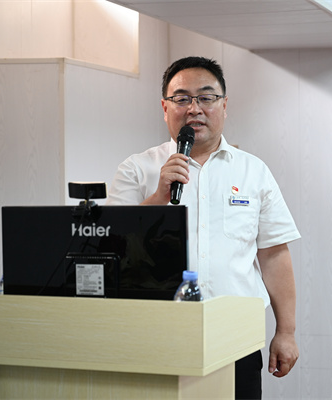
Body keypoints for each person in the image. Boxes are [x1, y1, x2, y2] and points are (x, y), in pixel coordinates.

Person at [106, 56, 300, 399]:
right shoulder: (137, 169)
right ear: (165, 108)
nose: (194, 108)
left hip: (236, 336)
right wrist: (158, 198)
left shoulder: (253, 172)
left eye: (206, 97)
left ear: (224, 105)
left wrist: (286, 332)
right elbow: (111, 247)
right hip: (155, 336)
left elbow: (274, 255)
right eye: (182, 98)